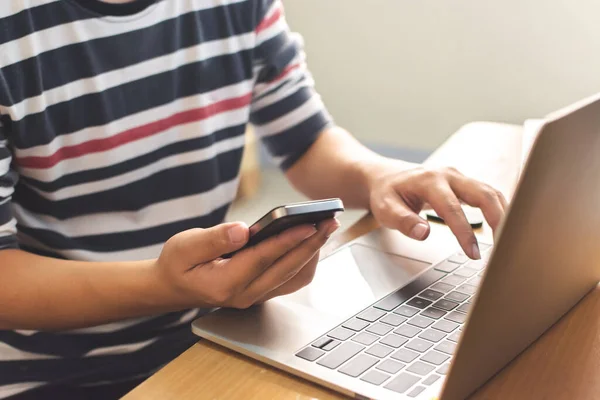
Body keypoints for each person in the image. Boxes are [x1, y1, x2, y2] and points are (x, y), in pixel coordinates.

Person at [0, 0, 507, 398]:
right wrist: (165, 285)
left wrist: (379, 175)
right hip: (57, 373)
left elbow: (305, 140)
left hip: (217, 332)